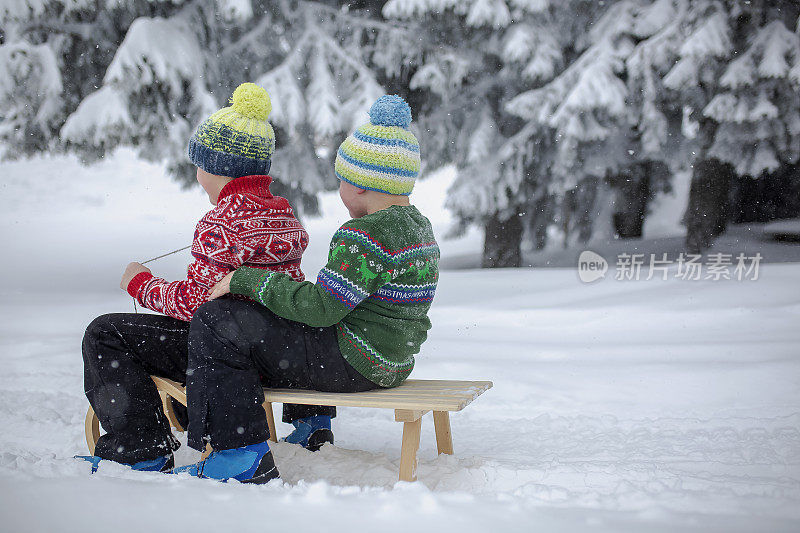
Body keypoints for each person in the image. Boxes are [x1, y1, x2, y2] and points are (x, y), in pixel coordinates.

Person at [174, 94, 440, 482]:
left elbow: (321, 309)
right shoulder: (417, 227)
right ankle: (311, 426)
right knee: (292, 317)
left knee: (219, 320)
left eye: (342, 183)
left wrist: (246, 279)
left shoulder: (366, 236)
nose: (341, 193)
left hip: (354, 362)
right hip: (391, 361)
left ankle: (237, 456)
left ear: (361, 186)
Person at [80, 83, 307, 483]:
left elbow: (195, 305)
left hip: (225, 351)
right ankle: (180, 425)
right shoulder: (283, 213)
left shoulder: (222, 222)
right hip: (268, 349)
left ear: (217, 169)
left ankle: (140, 451)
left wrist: (142, 284)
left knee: (105, 333)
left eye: (199, 165)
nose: (197, 174)